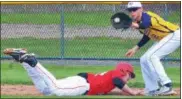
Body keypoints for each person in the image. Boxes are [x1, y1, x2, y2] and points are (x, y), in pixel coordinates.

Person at [3, 48, 142, 96]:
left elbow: (115, 86)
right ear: (124, 70)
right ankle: (34, 61)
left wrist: (123, 92)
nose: (129, 78)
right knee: (56, 89)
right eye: (130, 75)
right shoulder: (116, 74)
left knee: (46, 90)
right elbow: (118, 81)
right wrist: (133, 92)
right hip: (83, 85)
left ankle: (26, 62)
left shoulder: (112, 79)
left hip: (82, 81)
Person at [125, 1, 180, 96]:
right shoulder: (138, 22)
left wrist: (135, 25)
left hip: (174, 34)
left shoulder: (147, 16)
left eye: (134, 9)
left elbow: (146, 23)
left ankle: (166, 85)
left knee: (152, 57)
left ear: (141, 9)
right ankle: (152, 88)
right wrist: (135, 48)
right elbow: (147, 35)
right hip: (165, 38)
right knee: (144, 59)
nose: (132, 12)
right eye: (130, 10)